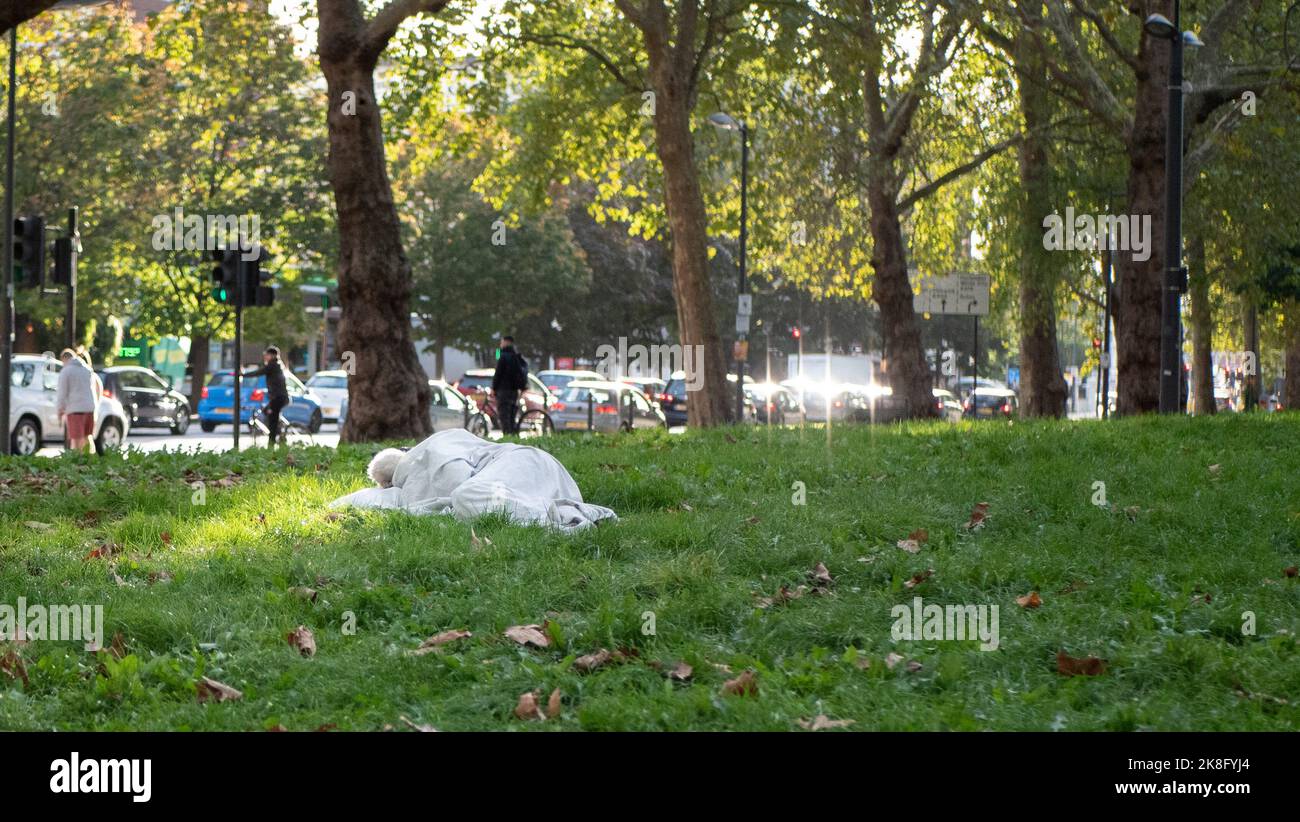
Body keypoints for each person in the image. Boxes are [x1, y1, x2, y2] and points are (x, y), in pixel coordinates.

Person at [56, 348, 101, 454]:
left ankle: (77, 463)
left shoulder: (66, 371)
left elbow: (62, 393)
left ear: (64, 359)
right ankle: (90, 459)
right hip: (90, 408)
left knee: (76, 440)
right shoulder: (87, 369)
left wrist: (60, 410)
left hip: (75, 409)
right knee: (87, 437)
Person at [242, 346, 289, 445]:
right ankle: (279, 430)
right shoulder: (277, 364)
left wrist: (243, 375)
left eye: (266, 355)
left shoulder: (273, 365)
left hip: (278, 397)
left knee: (272, 420)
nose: (265, 357)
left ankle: (272, 443)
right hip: (280, 397)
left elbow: (259, 372)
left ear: (272, 356)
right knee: (267, 412)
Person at [491, 335, 528, 435]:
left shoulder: (502, 355)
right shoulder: (516, 356)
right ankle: (513, 435)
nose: (500, 344)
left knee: (504, 416)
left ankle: (507, 437)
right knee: (511, 415)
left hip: (503, 390)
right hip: (514, 391)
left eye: (502, 342)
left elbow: (497, 372)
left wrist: (494, 387)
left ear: (506, 342)